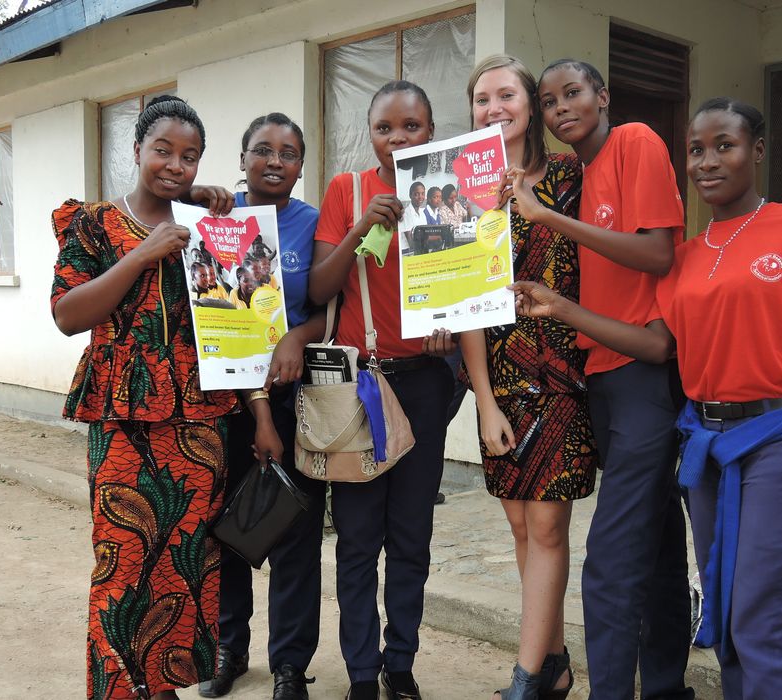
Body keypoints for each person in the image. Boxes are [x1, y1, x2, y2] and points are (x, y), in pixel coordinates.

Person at [511, 97, 782, 700]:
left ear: (756, 151)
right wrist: (566, 309)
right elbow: (656, 346)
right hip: (708, 452)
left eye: (724, 146)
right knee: (731, 613)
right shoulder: (682, 261)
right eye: (696, 150)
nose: (707, 161)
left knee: (762, 614)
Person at [508, 59, 692, 700]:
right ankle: (667, 685)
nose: (561, 108)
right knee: (661, 548)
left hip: (644, 377)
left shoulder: (634, 141)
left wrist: (546, 218)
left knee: (609, 563)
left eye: (574, 93)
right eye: (549, 100)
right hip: (603, 379)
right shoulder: (575, 175)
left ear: (603, 95)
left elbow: (657, 252)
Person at [50, 95, 238, 700]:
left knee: (184, 565)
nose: (175, 165)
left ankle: (163, 688)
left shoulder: (208, 230)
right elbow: (67, 315)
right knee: (122, 561)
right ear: (136, 150)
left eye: (189, 157)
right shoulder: (93, 224)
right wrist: (140, 255)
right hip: (123, 419)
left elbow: (238, 324)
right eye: (163, 150)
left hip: (198, 423)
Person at [308, 80, 455, 700]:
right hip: (358, 389)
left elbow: (464, 285)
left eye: (412, 127)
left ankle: (402, 664)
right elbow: (319, 289)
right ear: (369, 135)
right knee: (359, 539)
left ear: (431, 131)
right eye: (385, 129)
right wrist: (360, 225)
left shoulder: (451, 192)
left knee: (411, 535)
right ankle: (363, 675)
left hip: (423, 385)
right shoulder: (348, 190)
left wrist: (454, 337)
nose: (398, 138)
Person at [461, 54, 598, 700]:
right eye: (482, 98)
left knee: (546, 527)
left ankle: (525, 680)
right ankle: (554, 664)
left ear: (531, 106)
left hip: (563, 376)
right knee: (521, 527)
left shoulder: (571, 178)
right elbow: (463, 304)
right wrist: (484, 402)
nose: (494, 108)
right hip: (501, 381)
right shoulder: (461, 191)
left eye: (507, 95)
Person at [197, 113, 328, 700]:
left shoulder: (313, 223)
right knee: (229, 523)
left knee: (294, 525)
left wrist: (297, 338)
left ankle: (290, 666)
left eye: (290, 152)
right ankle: (229, 648)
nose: (276, 161)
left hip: (296, 393)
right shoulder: (217, 221)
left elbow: (333, 303)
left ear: (301, 165)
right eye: (263, 150)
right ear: (242, 157)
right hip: (225, 394)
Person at [401, 181, 428, 254]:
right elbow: (411, 243)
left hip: (419, 248)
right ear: (410, 195)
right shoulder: (406, 214)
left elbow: (425, 235)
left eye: (423, 194)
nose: (420, 197)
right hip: (407, 251)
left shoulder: (422, 213)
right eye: (416, 194)